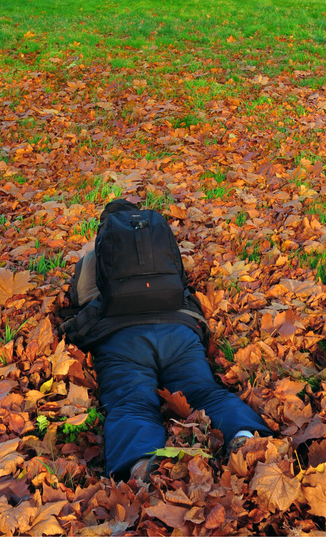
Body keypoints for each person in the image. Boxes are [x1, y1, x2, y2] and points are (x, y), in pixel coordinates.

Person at [59, 198, 271, 483]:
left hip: (122, 340)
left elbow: (80, 299)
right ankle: (245, 438)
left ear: (104, 227)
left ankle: (141, 464)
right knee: (205, 392)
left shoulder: (92, 257)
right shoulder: (158, 242)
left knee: (131, 401)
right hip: (178, 333)